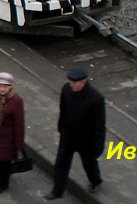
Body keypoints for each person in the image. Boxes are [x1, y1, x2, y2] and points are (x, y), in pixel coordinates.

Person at [45, 67, 106, 200]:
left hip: (86, 140)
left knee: (88, 164)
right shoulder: (66, 90)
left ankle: (95, 181)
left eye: (74, 83)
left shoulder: (96, 99)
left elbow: (99, 126)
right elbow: (63, 109)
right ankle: (57, 191)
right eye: (70, 82)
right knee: (61, 163)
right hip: (68, 135)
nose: (71, 85)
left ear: (83, 82)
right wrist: (61, 128)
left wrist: (98, 147)